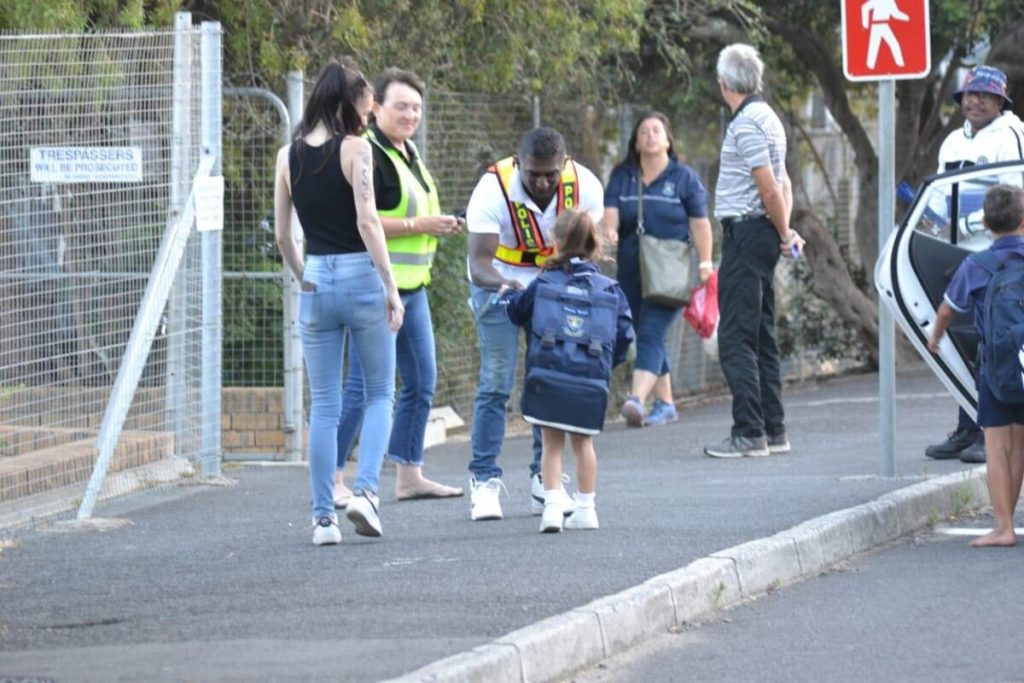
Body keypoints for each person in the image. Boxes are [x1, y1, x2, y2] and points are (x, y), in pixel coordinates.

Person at [273, 60, 404, 546]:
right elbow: (368, 221)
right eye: (367, 108)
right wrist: (391, 286)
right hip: (361, 278)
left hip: (317, 280)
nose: (369, 118)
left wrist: (305, 277)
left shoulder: (287, 156)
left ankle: (323, 519)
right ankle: (366, 492)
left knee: (324, 406)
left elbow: (285, 236)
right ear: (350, 104)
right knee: (379, 394)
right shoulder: (357, 151)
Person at [334, 68, 463, 507]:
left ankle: (408, 473)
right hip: (376, 287)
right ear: (376, 109)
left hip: (414, 289)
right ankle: (332, 478)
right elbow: (363, 222)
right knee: (366, 388)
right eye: (401, 106)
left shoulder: (409, 153)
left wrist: (438, 224)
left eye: (416, 108)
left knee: (423, 380)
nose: (411, 115)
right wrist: (419, 225)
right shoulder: (368, 153)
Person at [465, 127, 605, 521]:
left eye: (550, 173)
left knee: (548, 381)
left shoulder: (585, 186)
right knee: (496, 380)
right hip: (500, 285)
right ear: (518, 164)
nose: (542, 182)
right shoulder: (493, 188)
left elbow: (589, 250)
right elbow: (479, 263)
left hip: (554, 286)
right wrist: (506, 285)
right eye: (532, 174)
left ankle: (545, 480)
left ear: (565, 163)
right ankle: (485, 481)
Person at [501, 211, 633, 532]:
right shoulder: (610, 289)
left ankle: (552, 510)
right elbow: (625, 333)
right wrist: (602, 367)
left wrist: (507, 296)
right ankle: (587, 509)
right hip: (589, 380)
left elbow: (517, 312)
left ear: (555, 243)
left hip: (548, 376)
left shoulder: (544, 282)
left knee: (551, 444)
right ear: (595, 244)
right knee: (583, 444)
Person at [704, 43, 804, 459]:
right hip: (761, 232)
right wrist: (784, 228)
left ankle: (749, 432)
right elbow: (784, 185)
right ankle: (774, 428)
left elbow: (768, 187)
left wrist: (783, 231)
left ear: (724, 83)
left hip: (747, 233)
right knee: (761, 334)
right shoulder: (769, 118)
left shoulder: (745, 123)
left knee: (735, 337)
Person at [924, 65, 1024, 465]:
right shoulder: (951, 142)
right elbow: (939, 198)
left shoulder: (1012, 134)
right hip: (959, 252)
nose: (974, 101)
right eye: (969, 94)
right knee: (968, 342)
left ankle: (991, 430)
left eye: (984, 95)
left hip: (1002, 255)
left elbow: (1015, 195)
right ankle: (968, 424)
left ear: (1000, 101)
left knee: (997, 343)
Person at [927, 184, 1024, 547]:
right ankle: (1007, 523)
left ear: (984, 222)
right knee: (1021, 446)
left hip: (996, 367)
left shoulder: (977, 264)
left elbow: (948, 308)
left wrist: (935, 337)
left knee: (998, 446)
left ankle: (1003, 528)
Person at [603, 112, 713, 427]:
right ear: (636, 143)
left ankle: (636, 399)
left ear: (667, 140)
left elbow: (700, 224)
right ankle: (665, 404)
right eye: (644, 132)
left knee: (651, 330)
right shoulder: (622, 176)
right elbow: (611, 214)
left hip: (670, 270)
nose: (650, 136)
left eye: (656, 131)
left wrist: (705, 264)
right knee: (648, 334)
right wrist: (610, 231)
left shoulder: (684, 178)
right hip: (631, 268)